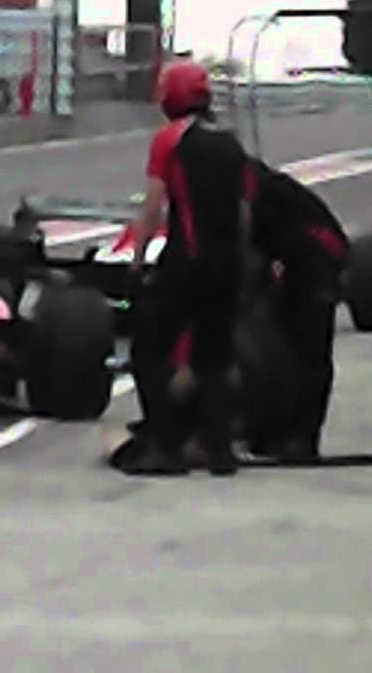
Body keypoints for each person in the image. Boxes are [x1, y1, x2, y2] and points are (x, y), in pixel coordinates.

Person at [116, 61, 250, 477]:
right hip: (227, 264)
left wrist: (137, 263)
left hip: (186, 260)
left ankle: (165, 444)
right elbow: (244, 213)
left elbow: (155, 204)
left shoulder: (169, 140)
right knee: (214, 356)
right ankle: (219, 452)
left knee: (149, 350)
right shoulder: (231, 144)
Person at [246, 161, 349, 461]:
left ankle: (302, 438)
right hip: (296, 262)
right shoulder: (258, 185)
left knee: (310, 355)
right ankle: (277, 434)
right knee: (281, 349)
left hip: (318, 265)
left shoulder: (258, 187)